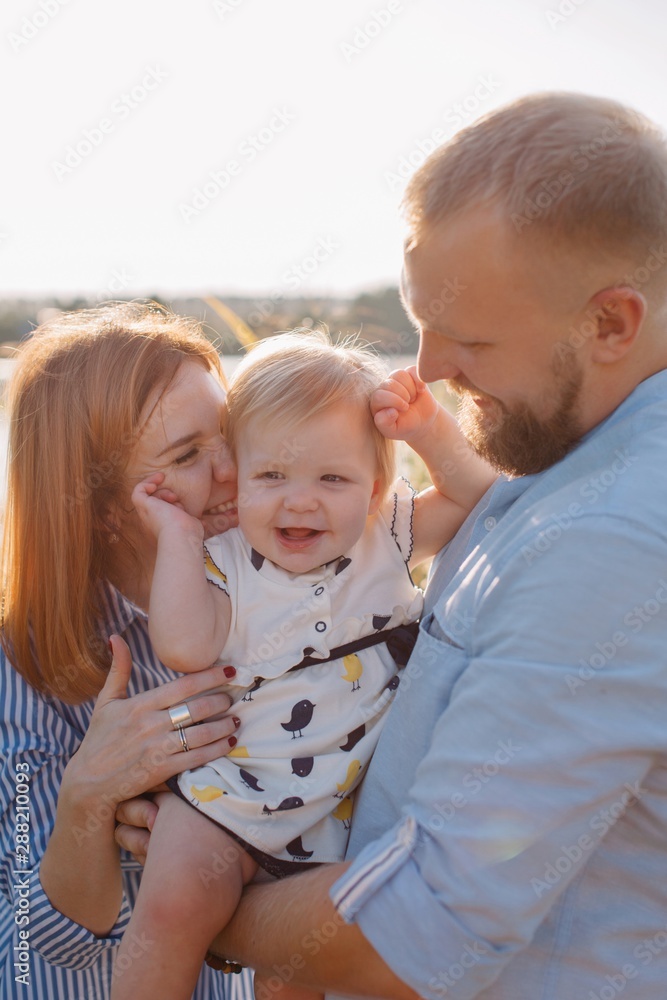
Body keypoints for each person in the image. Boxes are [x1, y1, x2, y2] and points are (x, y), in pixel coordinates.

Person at [118, 92, 667, 998]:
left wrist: (209, 908)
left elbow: (423, 934)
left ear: (610, 323)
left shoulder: (606, 537)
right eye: (420, 324)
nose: (429, 368)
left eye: (468, 336)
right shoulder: (570, 461)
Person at [110, 331, 495, 1000]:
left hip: (334, 817)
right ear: (238, 474)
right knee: (170, 914)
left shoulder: (386, 533)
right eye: (272, 476)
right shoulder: (224, 557)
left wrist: (429, 432)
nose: (299, 500)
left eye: (332, 478)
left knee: (295, 975)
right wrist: (176, 535)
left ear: (376, 487)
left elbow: (478, 498)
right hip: (222, 797)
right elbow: (186, 646)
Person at [0, 302, 253, 999]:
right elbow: (39, 942)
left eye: (228, 433)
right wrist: (89, 798)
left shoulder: (272, 601)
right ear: (105, 508)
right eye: (187, 455)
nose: (232, 470)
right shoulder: (21, 659)